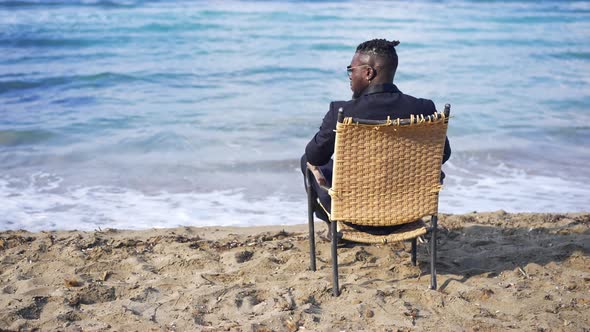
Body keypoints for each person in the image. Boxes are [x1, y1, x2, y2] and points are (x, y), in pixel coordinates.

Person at [301, 38, 451, 220]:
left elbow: (314, 157)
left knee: (307, 161)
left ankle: (335, 229)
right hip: (407, 214)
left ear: (368, 72)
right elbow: (443, 155)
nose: (350, 77)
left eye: (351, 71)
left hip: (353, 216)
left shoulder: (341, 111)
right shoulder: (423, 109)